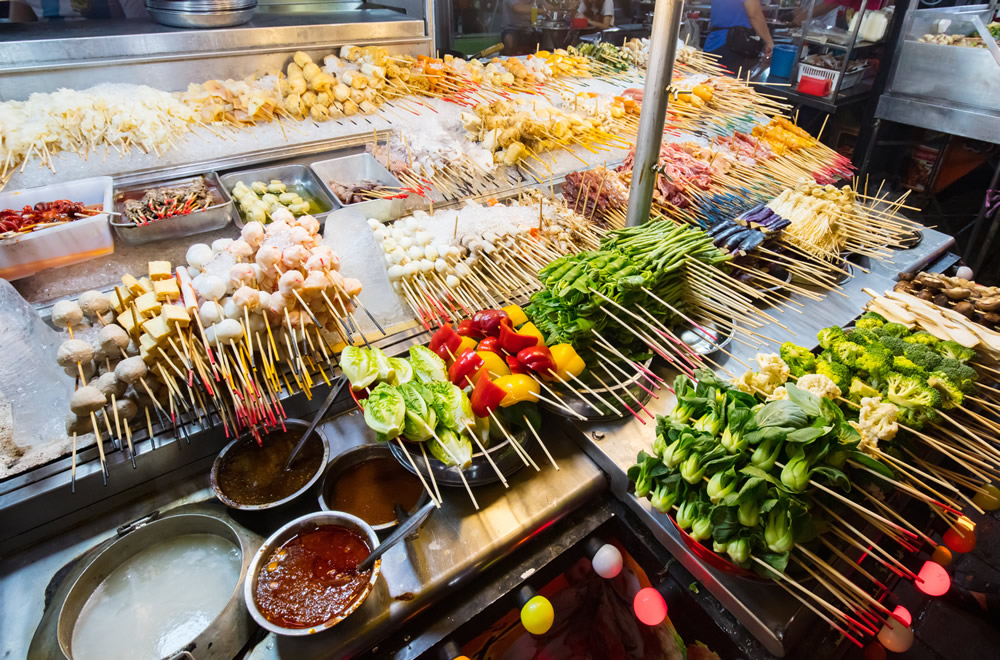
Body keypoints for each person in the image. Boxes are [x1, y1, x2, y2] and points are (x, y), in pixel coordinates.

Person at [705, 0, 774, 75]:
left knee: (709, 83)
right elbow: (754, 14)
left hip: (713, 43)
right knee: (731, 84)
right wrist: (769, 42)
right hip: (733, 46)